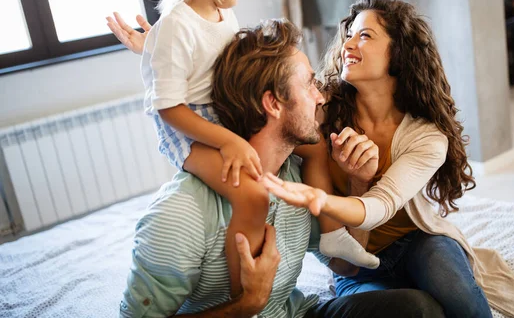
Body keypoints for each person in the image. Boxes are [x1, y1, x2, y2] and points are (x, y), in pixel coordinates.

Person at [108, 0, 378, 298]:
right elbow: (168, 108)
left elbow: (199, 57)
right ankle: (245, 286)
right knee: (251, 193)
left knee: (315, 146)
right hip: (190, 133)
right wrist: (227, 141)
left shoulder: (220, 15)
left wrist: (149, 46)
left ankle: (332, 234)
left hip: (218, 116)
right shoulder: (174, 26)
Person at [119, 19, 444, 317]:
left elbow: (344, 265)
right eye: (309, 85)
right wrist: (247, 305)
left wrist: (360, 183)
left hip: (299, 313)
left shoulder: (296, 175)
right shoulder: (180, 214)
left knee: (418, 309)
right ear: (273, 103)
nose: (321, 98)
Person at [261, 0, 514, 318]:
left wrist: (322, 197)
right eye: (349, 35)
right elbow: (345, 261)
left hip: (415, 241)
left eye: (365, 35)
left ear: (398, 54)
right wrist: (357, 182)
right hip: (357, 269)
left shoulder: (425, 136)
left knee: (453, 285)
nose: (347, 44)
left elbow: (382, 205)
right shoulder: (320, 113)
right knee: (420, 310)